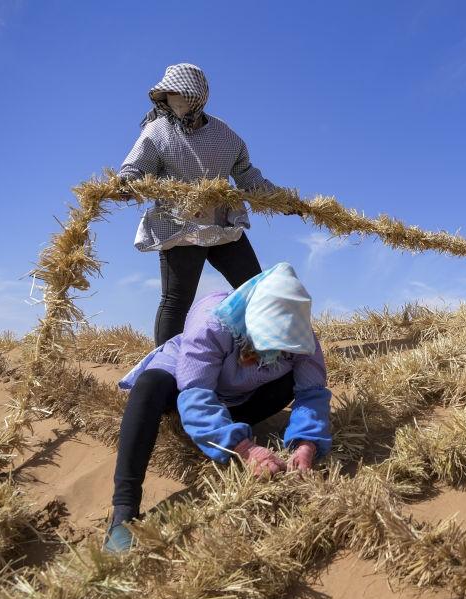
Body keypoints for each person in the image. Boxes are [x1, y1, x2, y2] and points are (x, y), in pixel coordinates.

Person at [104, 263, 332, 553]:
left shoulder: (301, 337)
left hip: (239, 396)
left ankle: (220, 430)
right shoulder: (212, 321)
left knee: (291, 384)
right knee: (150, 384)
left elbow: (312, 393)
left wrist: (306, 444)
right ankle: (123, 511)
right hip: (184, 383)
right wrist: (244, 448)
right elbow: (196, 393)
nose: (278, 353)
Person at [116, 63, 295, 346]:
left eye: (179, 93)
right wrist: (126, 184)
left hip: (222, 224)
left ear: (197, 95)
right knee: (177, 301)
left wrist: (281, 200)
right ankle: (165, 366)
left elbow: (248, 176)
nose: (172, 100)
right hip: (180, 227)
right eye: (167, 95)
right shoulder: (157, 131)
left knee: (254, 288)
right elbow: (135, 168)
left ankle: (274, 349)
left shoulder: (225, 136)